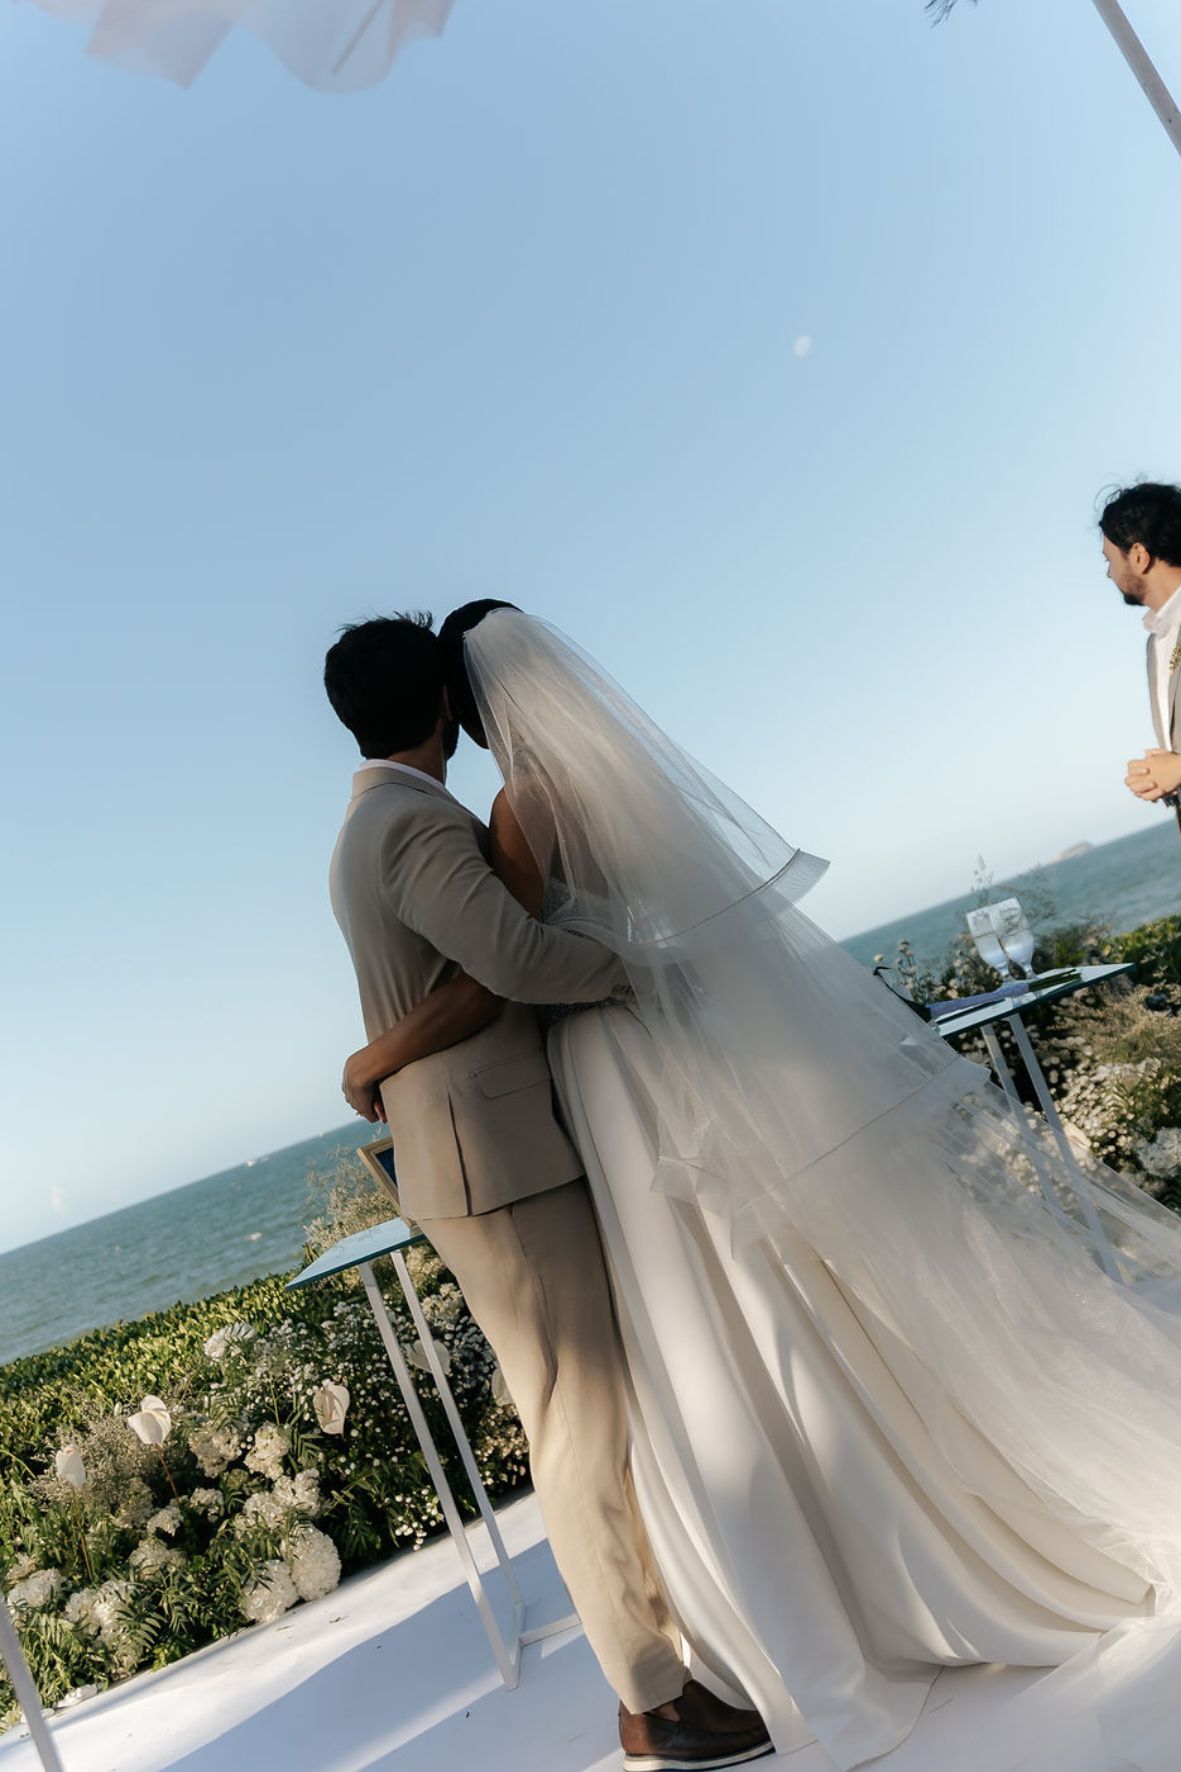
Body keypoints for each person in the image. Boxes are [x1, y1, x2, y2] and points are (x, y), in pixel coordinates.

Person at [345, 601, 1181, 1772]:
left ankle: (742, 1610)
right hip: (635, 1053)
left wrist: (376, 1056)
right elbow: (534, 950)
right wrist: (642, 971)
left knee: (677, 1304)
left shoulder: (508, 809)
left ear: (463, 700)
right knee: (723, 1280)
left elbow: (512, 967)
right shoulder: (572, 787)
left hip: (599, 1057)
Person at [323, 615, 773, 1772]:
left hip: (483, 1149)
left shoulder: (371, 820)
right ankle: (652, 1699)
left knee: (581, 1413)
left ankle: (665, 1666)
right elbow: (512, 962)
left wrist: (372, 1058)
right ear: (440, 702)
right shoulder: (414, 819)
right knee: (576, 1421)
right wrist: (643, 970)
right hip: (494, 1157)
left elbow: (470, 973)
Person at [1100, 481, 1181, 829]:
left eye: (1109, 559)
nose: (1108, 573)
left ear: (1138, 555)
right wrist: (1163, 776)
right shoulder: (1156, 643)